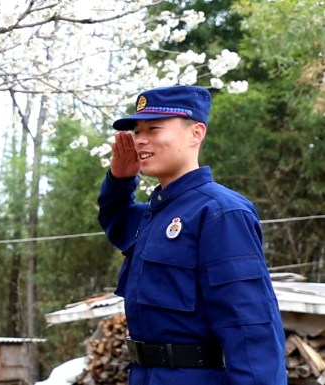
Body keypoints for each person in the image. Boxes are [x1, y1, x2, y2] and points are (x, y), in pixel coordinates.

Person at [97, 85, 286, 384]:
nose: (140, 140)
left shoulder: (221, 212)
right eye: (136, 132)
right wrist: (119, 180)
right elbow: (116, 221)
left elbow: (249, 325)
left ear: (196, 133)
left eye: (154, 129)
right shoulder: (156, 213)